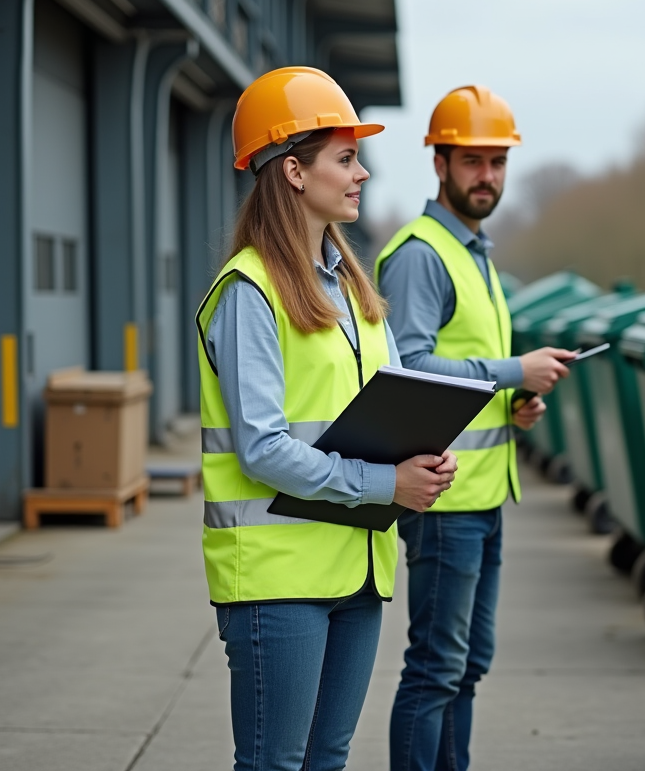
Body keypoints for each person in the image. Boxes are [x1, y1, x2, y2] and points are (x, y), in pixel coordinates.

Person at [195, 66, 458, 771]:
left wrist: (425, 455)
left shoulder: (348, 288)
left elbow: (382, 404)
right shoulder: (250, 291)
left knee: (327, 761)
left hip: (356, 569)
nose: (362, 173)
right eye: (345, 158)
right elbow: (262, 448)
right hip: (278, 580)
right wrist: (384, 484)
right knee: (275, 765)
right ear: (292, 171)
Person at [375, 84, 575, 771]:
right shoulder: (420, 254)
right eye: (472, 162)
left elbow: (465, 373)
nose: (486, 176)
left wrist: (515, 404)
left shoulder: (475, 253)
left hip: (484, 497)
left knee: (466, 666)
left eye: (497, 162)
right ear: (439, 163)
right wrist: (515, 371)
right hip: (442, 502)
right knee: (434, 669)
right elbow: (410, 369)